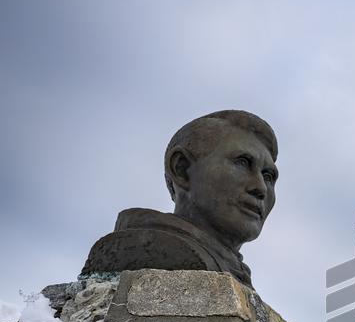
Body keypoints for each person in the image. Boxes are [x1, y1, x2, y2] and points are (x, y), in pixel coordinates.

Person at [82, 110, 280, 288]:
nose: (260, 187)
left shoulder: (232, 270)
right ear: (182, 169)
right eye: (243, 163)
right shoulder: (150, 249)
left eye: (268, 176)